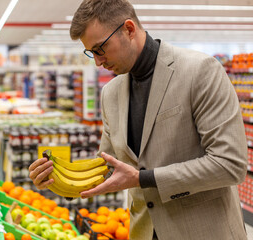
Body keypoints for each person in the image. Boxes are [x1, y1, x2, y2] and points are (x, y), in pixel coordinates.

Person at [29, 0, 248, 239]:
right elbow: (109, 168)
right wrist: (59, 182)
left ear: (129, 29)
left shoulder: (200, 71)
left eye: (100, 48)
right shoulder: (110, 94)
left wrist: (143, 178)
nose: (98, 62)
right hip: (142, 231)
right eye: (91, 52)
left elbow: (230, 164)